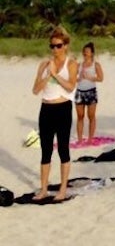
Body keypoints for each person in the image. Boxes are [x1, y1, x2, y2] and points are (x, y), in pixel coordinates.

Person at [32, 26, 78, 200]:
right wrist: (46, 76)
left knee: (63, 149)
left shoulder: (71, 63)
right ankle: (43, 189)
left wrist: (55, 75)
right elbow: (35, 90)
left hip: (63, 108)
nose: (55, 50)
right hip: (46, 109)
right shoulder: (44, 64)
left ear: (65, 45)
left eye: (58, 46)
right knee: (46, 150)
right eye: (52, 46)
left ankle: (62, 189)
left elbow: (71, 86)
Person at [75, 41, 104, 144]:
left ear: (92, 53)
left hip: (91, 92)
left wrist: (90, 77)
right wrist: (79, 78)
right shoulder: (79, 65)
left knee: (91, 116)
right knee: (80, 116)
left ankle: (90, 139)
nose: (85, 53)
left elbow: (101, 78)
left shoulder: (96, 65)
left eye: (87, 51)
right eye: (84, 51)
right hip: (80, 92)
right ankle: (79, 139)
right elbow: (73, 79)